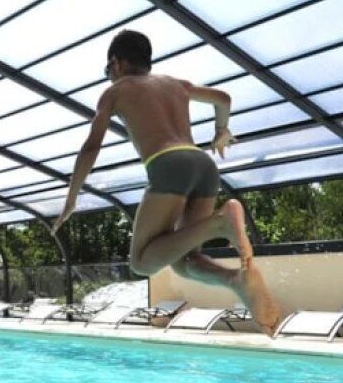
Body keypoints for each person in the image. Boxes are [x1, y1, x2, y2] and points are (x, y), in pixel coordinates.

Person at [52, 29, 281, 332]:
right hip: (203, 165)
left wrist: (71, 199)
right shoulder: (176, 85)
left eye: (107, 70)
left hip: (169, 164)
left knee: (141, 263)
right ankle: (236, 280)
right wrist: (221, 130)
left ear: (116, 63)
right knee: (184, 261)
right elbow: (223, 99)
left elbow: (91, 146)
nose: (108, 76)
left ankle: (221, 223)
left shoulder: (115, 91)